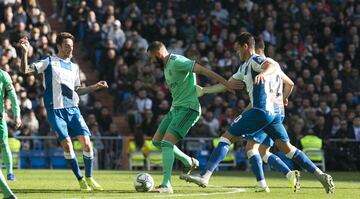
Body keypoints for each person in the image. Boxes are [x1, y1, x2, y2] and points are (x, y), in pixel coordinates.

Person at [181, 32, 335, 194]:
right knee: (287, 149)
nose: (236, 52)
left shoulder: (255, 60)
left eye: (237, 49)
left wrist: (263, 74)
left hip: (261, 110)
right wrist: (205, 91)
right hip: (275, 114)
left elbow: (272, 66)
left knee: (227, 138)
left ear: (245, 46)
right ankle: (320, 174)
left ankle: (205, 176)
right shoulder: (244, 67)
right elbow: (230, 84)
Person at [18, 32, 108, 191]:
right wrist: (24, 53)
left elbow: (77, 90)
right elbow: (25, 70)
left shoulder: (74, 67)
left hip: (73, 109)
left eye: (72, 47)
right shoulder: (49, 61)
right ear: (58, 46)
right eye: (67, 46)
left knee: (87, 144)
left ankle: (89, 177)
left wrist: (95, 87)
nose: (70, 49)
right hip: (55, 110)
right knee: (67, 144)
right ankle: (81, 180)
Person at [146, 41, 237, 193]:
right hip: (175, 109)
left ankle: (166, 184)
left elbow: (204, 70)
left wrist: (226, 83)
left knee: (167, 144)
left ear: (159, 53)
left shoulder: (177, 61)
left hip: (189, 109)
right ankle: (189, 161)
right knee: (156, 141)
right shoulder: (166, 66)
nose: (151, 61)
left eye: (151, 58)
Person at [0, 69, 21, 198]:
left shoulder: (3, 75)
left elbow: (13, 96)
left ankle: (10, 172)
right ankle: (8, 195)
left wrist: (17, 114)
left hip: (0, 120)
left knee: (4, 144)